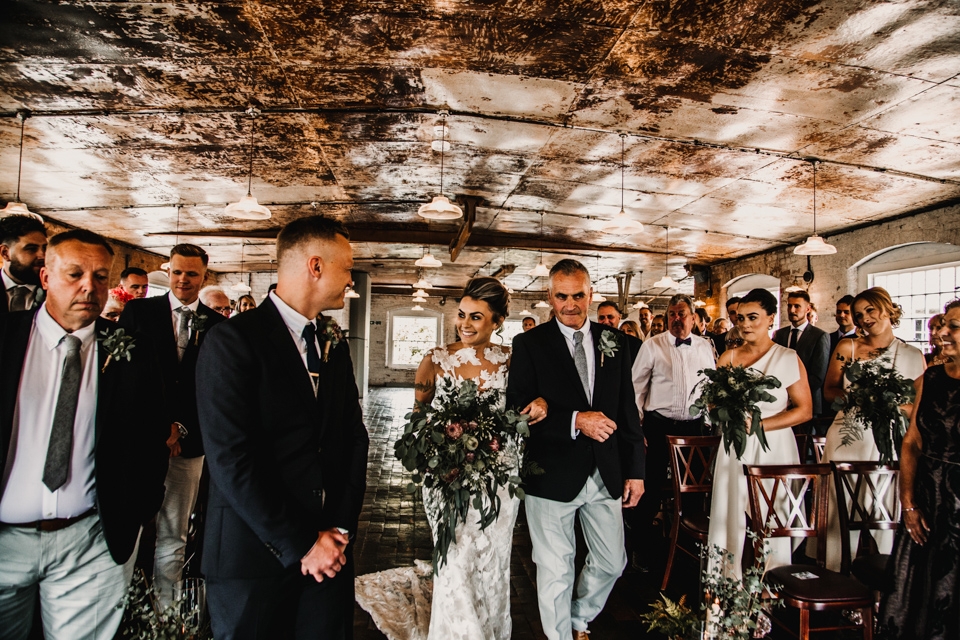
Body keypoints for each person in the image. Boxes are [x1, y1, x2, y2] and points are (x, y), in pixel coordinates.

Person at [196, 215, 369, 639]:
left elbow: (353, 437)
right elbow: (231, 459)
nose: (351, 280)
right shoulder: (233, 341)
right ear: (315, 266)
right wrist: (303, 543)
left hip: (330, 555)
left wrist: (340, 529)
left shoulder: (332, 344)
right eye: (346, 268)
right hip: (252, 556)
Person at [356, 277, 547, 640]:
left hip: (500, 477)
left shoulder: (514, 361)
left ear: (497, 322)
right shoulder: (435, 360)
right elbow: (417, 418)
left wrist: (542, 404)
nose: (465, 323)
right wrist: (437, 446)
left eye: (477, 317)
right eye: (461, 315)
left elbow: (534, 401)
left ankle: (490, 629)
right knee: (455, 557)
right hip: (447, 477)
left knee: (492, 559)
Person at [0, 229, 168, 639]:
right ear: (45, 278)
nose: (88, 287)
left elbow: (150, 437)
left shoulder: (133, 351)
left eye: (99, 277)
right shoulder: (5, 337)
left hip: (91, 540)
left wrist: (136, 512)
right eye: (74, 274)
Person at [507, 259, 645, 640]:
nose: (571, 304)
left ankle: (578, 617)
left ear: (590, 295)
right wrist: (573, 420)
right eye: (562, 296)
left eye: (579, 295)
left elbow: (626, 409)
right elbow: (515, 409)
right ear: (549, 296)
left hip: (605, 470)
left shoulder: (614, 340)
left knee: (612, 561)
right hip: (549, 473)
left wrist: (636, 470)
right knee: (555, 567)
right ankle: (560, 636)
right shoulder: (529, 344)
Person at [119, 244, 227, 608]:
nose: (183, 280)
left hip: (189, 442)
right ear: (169, 271)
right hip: (141, 441)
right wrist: (157, 427)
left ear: (204, 276)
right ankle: (123, 607)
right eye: (178, 272)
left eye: (192, 274)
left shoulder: (216, 326)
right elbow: (124, 377)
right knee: (129, 528)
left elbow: (212, 389)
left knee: (175, 532)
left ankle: (166, 613)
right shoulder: (138, 312)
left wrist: (180, 427)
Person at [707, 288, 812, 578]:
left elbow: (804, 410)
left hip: (773, 446)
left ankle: (771, 587)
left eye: (753, 317)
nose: (745, 324)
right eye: (740, 318)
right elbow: (713, 404)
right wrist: (721, 408)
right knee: (731, 514)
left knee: (771, 517)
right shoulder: (727, 359)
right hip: (735, 446)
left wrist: (761, 425)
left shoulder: (788, 357)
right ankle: (726, 583)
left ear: (770, 318)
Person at [817, 287, 925, 570]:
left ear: (887, 309)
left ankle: (885, 577)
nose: (863, 319)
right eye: (858, 315)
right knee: (841, 509)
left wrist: (888, 405)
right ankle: (838, 572)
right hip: (846, 436)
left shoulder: (913, 354)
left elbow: (917, 408)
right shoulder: (847, 348)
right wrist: (856, 399)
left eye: (869, 311)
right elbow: (829, 391)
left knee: (883, 509)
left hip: (888, 440)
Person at [880, 299, 960, 639]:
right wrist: (908, 502)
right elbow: (912, 442)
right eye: (943, 325)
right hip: (927, 498)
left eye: (953, 327)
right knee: (916, 593)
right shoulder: (932, 377)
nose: (941, 332)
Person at [631, 294, 715, 570]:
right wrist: (637, 427)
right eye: (672, 315)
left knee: (692, 491)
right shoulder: (652, 346)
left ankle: (687, 550)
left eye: (682, 314)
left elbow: (710, 386)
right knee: (652, 487)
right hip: (659, 427)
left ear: (693, 317)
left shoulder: (704, 347)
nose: (677, 319)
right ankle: (641, 549)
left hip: (693, 428)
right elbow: (636, 389)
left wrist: (711, 421)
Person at [774, 290, 831, 420]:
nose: (792, 310)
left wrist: (794, 395)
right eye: (789, 306)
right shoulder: (780, 334)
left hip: (808, 401)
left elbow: (818, 375)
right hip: (781, 401)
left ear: (807, 308)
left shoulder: (820, 336)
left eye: (797, 306)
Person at [0, 215, 46, 313]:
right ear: (5, 253)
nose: (42, 256)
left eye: (45, 248)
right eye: (31, 249)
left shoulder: (55, 290)